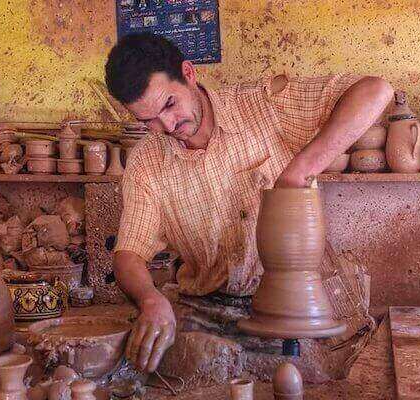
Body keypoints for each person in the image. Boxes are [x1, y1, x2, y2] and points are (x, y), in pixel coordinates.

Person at [105, 33, 393, 374]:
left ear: (189, 73)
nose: (166, 126)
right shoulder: (146, 161)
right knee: (159, 362)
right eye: (147, 121)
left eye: (169, 104)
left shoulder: (263, 106)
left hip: (294, 301)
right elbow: (129, 255)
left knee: (317, 372)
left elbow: (376, 91)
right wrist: (150, 299)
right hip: (210, 306)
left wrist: (298, 172)